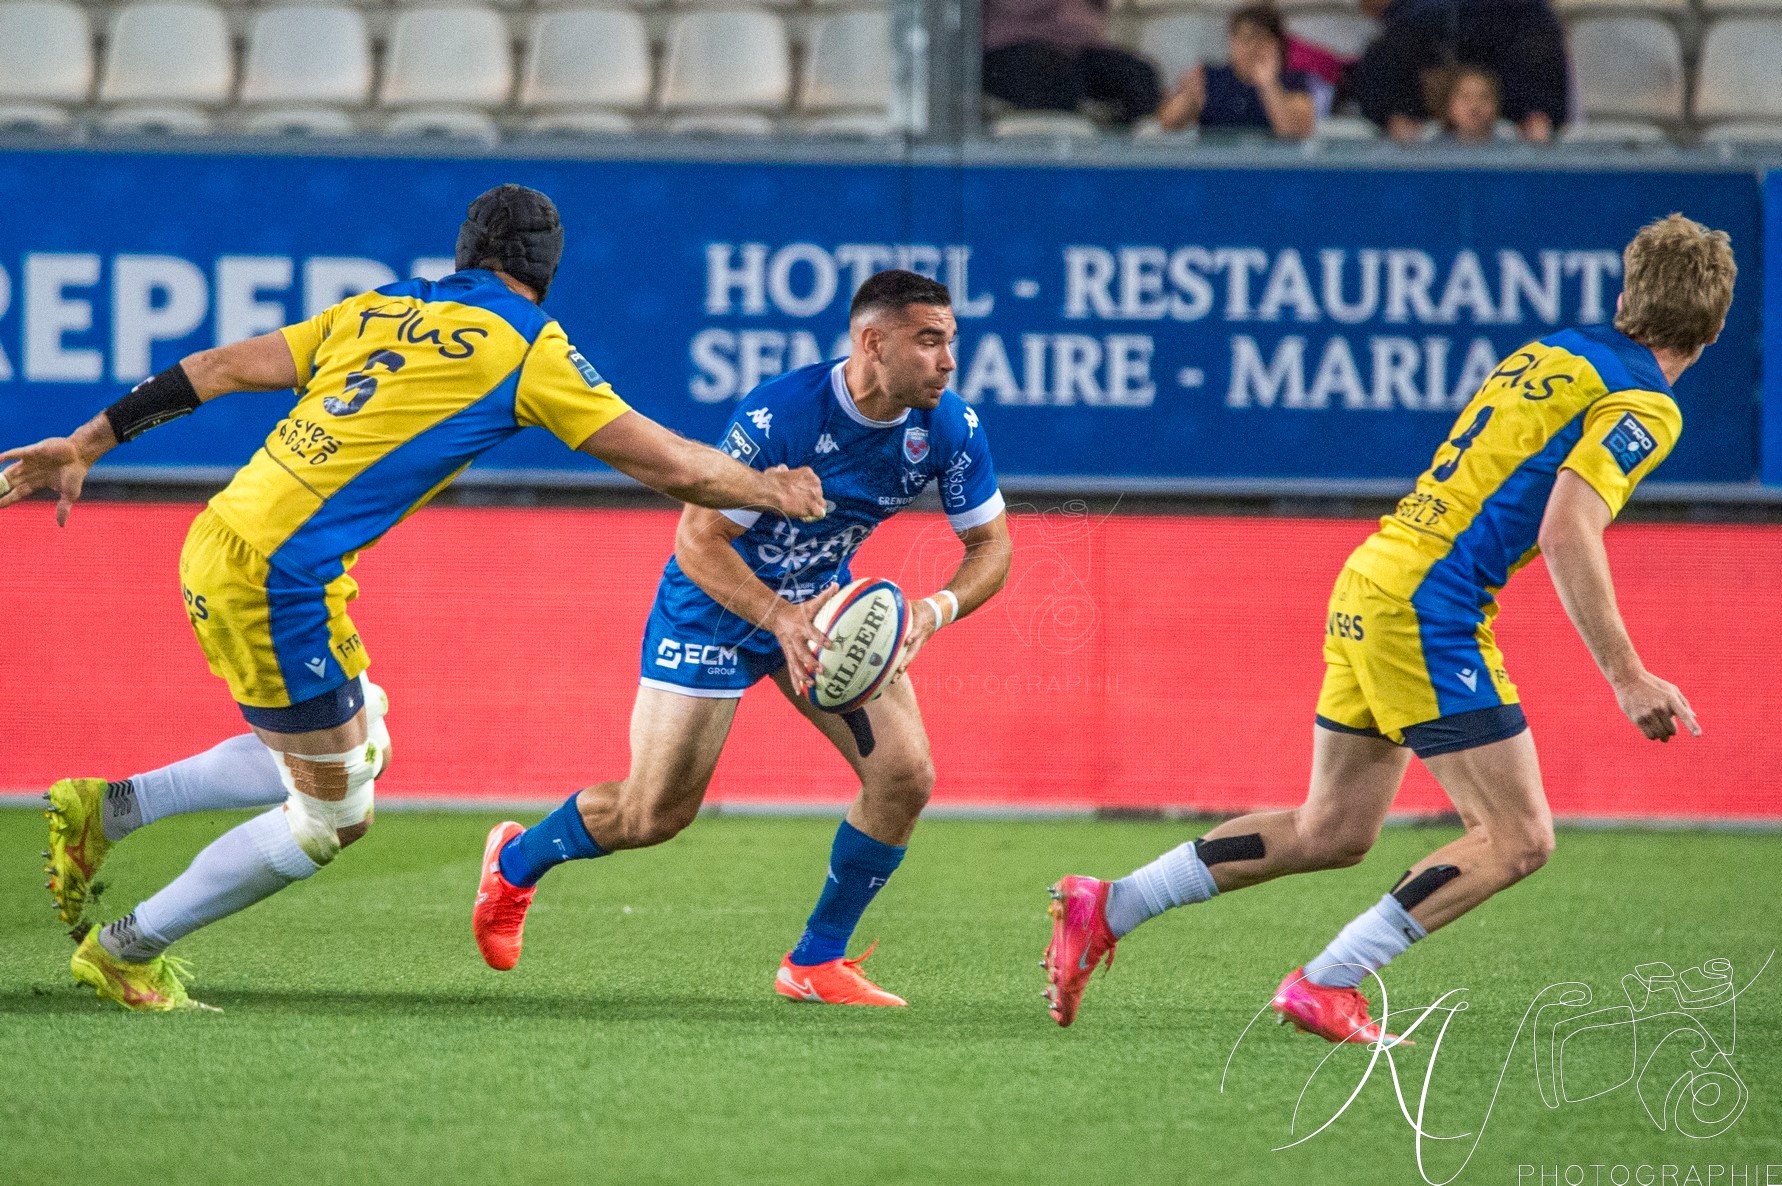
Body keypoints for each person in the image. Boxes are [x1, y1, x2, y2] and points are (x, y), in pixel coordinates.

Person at [1, 184, 825, 1013]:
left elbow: (212, 369)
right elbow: (674, 465)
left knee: (365, 738)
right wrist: (771, 488)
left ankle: (107, 811)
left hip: (231, 539)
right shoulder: (527, 346)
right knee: (333, 815)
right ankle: (125, 949)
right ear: (547, 266)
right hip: (275, 577)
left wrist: (86, 442)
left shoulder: (380, 306)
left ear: (466, 250)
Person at [1041, 213, 1734, 1037]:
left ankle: (1111, 905)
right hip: (1429, 606)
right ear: (1714, 329)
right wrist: (1627, 672)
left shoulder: (1552, 352)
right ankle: (1327, 981)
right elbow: (1566, 528)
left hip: (1376, 575)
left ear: (1624, 297)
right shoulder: (1645, 404)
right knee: (1517, 837)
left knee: (1331, 829)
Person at [472, 270, 1013, 1007]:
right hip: (715, 608)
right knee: (653, 814)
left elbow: (992, 547)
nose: (949, 361)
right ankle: (515, 862)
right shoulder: (785, 413)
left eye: (950, 341)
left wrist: (932, 610)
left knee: (904, 776)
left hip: (822, 613)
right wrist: (779, 618)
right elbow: (698, 540)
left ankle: (816, 960)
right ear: (872, 342)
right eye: (930, 342)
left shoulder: (947, 428)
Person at [1350, 0, 1566, 144]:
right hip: (1428, 26)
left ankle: (1535, 117)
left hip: (1502, 31)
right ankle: (1399, 118)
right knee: (1395, 39)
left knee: (1539, 35)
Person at [982, 0, 1161, 127]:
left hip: (1081, 48)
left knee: (1138, 75)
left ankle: (1129, 165)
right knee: (1053, 77)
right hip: (1013, 46)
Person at [1156, 5, 1316, 140]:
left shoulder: (1293, 80)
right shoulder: (1212, 78)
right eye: (1246, 39)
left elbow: (1292, 132)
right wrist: (1188, 97)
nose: (1253, 47)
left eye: (1262, 39)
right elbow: (1168, 124)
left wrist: (1268, 84)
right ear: (1232, 41)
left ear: (1277, 45)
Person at [1434, 64, 1503, 145]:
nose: (1474, 106)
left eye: (1484, 97)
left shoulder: (1513, 151)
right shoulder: (1428, 152)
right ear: (1449, 106)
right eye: (1465, 97)